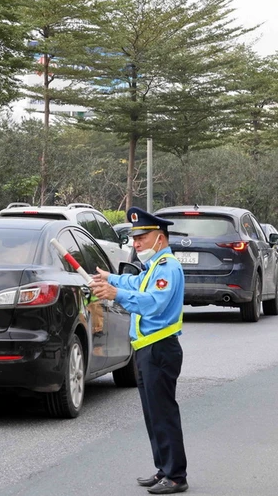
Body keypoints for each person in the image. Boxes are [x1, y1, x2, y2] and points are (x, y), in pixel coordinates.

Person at [88, 206, 188, 495]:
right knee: (152, 414)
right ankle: (164, 470)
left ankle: (176, 475)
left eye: (141, 238)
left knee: (163, 413)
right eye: (134, 238)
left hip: (160, 349)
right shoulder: (154, 267)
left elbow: (153, 302)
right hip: (147, 349)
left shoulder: (168, 268)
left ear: (159, 237)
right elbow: (136, 282)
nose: (136, 244)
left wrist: (116, 294)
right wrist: (110, 278)